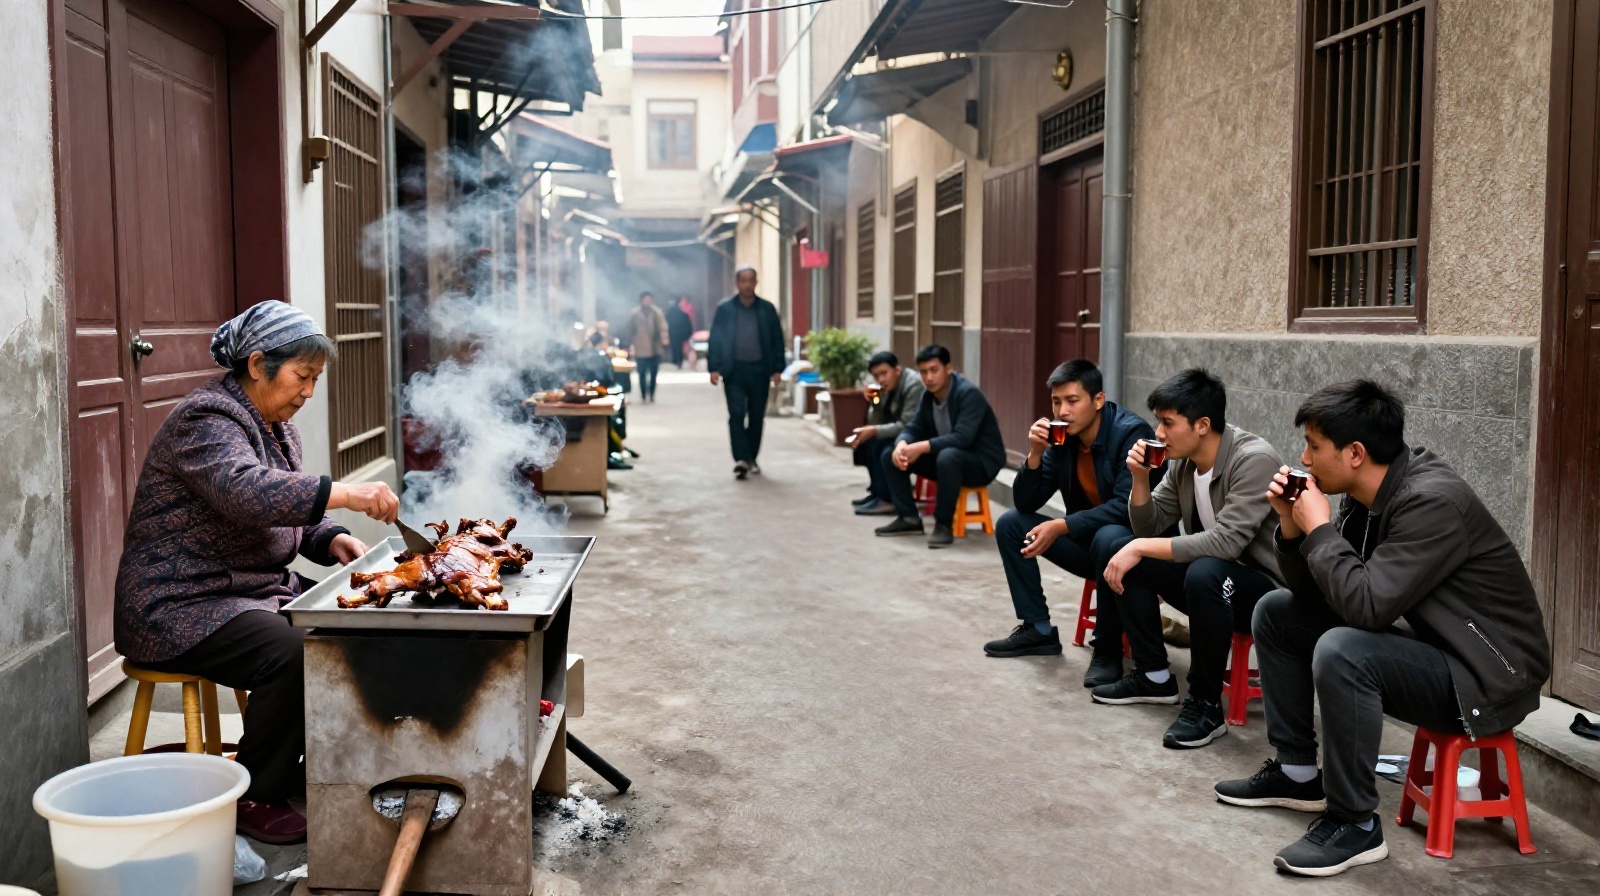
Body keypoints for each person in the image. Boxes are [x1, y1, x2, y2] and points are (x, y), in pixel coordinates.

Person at [1213, 380, 1550, 877]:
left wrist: (1321, 530)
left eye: (1313, 445)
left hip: (1489, 674)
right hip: (1438, 647)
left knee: (1345, 650)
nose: (1303, 458)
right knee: (1278, 612)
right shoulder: (1366, 494)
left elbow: (1365, 611)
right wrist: (1290, 527)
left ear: (1354, 453)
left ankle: (1355, 825)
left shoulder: (1432, 502)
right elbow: (1318, 597)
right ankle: (1296, 771)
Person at [114, 301, 401, 845]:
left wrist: (331, 537)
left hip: (247, 591)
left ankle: (301, 761)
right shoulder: (206, 420)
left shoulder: (276, 428)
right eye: (302, 376)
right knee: (294, 651)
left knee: (352, 620)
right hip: (178, 603)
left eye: (315, 379)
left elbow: (285, 514)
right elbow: (248, 493)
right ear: (257, 363)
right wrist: (348, 494)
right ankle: (253, 795)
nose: (308, 392)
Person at [1094, 368, 1284, 752]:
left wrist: (1140, 547)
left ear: (1202, 425)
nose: (1158, 433)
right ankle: (1153, 675)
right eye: (1158, 422)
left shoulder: (1253, 459)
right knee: (1121, 546)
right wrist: (1141, 480)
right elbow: (1148, 527)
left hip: (1263, 595)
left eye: (1167, 423)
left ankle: (1206, 705)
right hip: (1209, 584)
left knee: (1203, 571)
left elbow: (1227, 542)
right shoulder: (1181, 462)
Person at [983, 360, 1161, 676]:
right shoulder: (1063, 439)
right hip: (1087, 546)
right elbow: (1026, 502)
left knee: (1109, 537)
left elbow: (1126, 507)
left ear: (1098, 400)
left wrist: (1063, 525)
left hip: (1132, 554)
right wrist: (1035, 454)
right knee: (1012, 524)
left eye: (1072, 400)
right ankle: (1037, 629)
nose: (1062, 410)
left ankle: (1107, 651)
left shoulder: (1130, 434)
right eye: (1056, 401)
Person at [875, 345, 1005, 548]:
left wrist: (920, 447)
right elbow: (913, 427)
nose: (929, 377)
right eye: (923, 372)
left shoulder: (968, 394)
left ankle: (943, 525)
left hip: (980, 464)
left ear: (948, 369)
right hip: (947, 460)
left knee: (948, 456)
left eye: (934, 370)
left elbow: (963, 439)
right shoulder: (928, 397)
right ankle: (908, 518)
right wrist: (902, 444)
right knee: (889, 455)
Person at [707, 266, 785, 479]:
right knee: (736, 414)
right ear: (737, 283)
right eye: (743, 281)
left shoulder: (767, 309)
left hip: (760, 370)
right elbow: (716, 339)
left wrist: (778, 368)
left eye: (751, 281)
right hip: (734, 371)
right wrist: (714, 367)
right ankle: (741, 458)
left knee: (757, 416)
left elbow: (777, 339)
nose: (747, 285)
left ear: (756, 283)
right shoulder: (725, 309)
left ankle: (752, 457)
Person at [850, 351, 925, 516]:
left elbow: (908, 424)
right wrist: (874, 401)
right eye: (876, 376)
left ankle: (889, 499)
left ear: (897, 370)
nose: (881, 379)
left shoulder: (913, 385)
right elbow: (877, 421)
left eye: (884, 373)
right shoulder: (885, 387)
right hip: (899, 432)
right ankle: (878, 492)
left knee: (884, 449)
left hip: (916, 436)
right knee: (865, 443)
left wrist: (875, 431)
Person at [625, 291, 670, 403]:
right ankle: (644, 393)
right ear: (641, 301)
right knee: (642, 373)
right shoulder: (635, 314)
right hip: (641, 347)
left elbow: (663, 327)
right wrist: (630, 344)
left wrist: (664, 338)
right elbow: (630, 329)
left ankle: (652, 393)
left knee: (654, 373)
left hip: (655, 347)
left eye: (649, 300)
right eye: (645, 300)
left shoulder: (657, 313)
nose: (647, 302)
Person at [666, 295, 694, 368]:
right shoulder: (683, 314)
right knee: (678, 347)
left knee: (673, 347)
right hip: (680, 334)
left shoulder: (667, 315)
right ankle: (678, 361)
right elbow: (688, 325)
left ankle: (675, 360)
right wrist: (688, 334)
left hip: (671, 333)